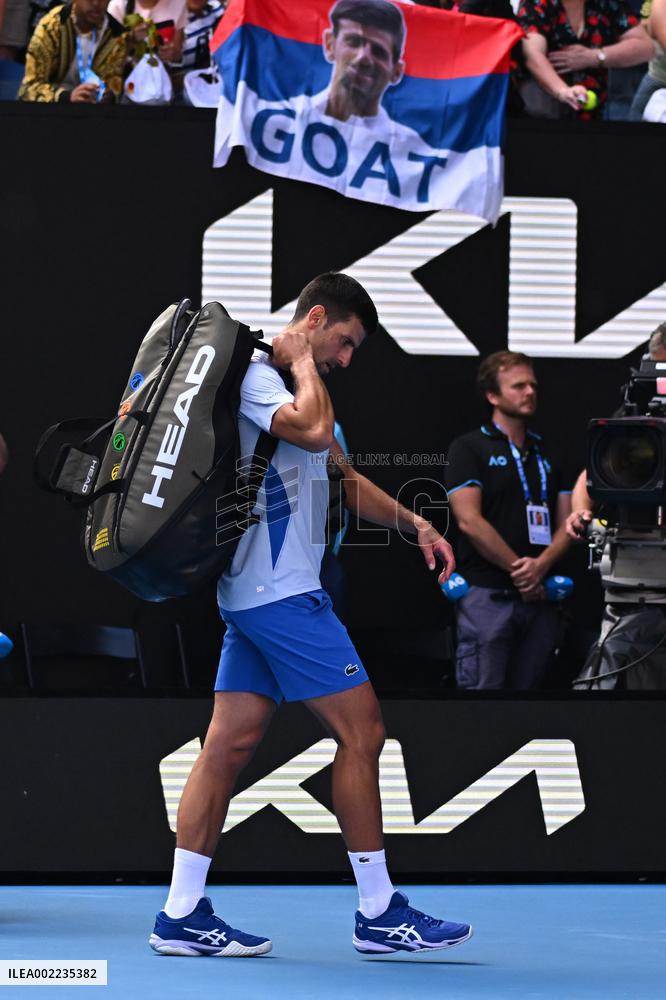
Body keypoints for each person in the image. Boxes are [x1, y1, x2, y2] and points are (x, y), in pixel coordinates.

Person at [149, 273, 472, 957]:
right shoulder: (264, 378)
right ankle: (380, 912)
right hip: (284, 595)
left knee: (227, 747)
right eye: (344, 342)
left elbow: (344, 479)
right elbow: (313, 427)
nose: (346, 360)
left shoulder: (301, 391)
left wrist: (418, 524)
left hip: (253, 601)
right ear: (316, 318)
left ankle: (180, 915)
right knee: (365, 734)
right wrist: (297, 358)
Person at [444, 351, 573, 690]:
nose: (530, 391)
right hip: (487, 596)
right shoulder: (468, 448)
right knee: (481, 704)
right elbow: (468, 520)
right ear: (492, 395)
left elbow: (568, 523)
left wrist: (540, 568)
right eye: (518, 386)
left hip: (539, 597)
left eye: (532, 385)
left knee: (530, 705)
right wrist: (522, 570)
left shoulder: (549, 453)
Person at [565, 322, 666, 540]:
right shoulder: (636, 415)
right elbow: (597, 472)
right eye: (659, 366)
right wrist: (580, 512)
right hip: (638, 540)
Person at [517, 0, 654, 118]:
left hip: (598, 111)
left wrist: (595, 56)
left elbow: (646, 47)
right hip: (545, 113)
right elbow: (532, 53)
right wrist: (563, 91)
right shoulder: (537, 3)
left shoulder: (608, 3)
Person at [314, 0, 406, 122]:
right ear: (330, 44)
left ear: (396, 72)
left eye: (378, 52)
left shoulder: (408, 141)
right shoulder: (283, 119)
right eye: (354, 41)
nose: (363, 57)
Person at [18, 0, 127, 102]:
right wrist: (67, 97)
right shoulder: (51, 26)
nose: (96, 3)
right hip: (48, 111)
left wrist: (108, 96)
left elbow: (114, 85)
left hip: (93, 114)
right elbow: (30, 87)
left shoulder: (116, 36)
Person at [107, 0, 186, 67]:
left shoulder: (178, 4)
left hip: (162, 78)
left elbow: (178, 52)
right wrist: (131, 39)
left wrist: (174, 55)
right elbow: (108, 60)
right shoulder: (118, 6)